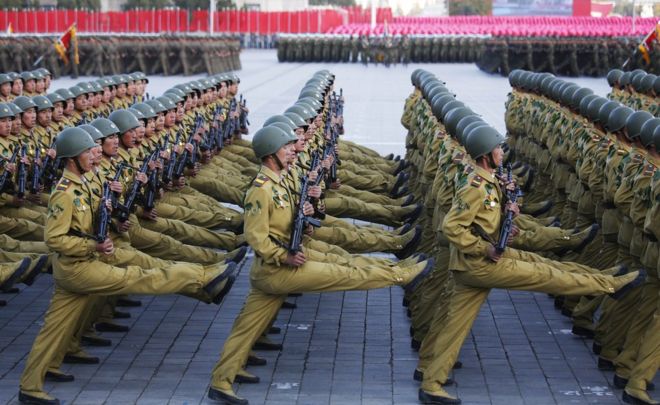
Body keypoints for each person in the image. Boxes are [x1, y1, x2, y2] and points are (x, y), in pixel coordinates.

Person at [418, 125, 646, 405]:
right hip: (480, 265)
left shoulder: (487, 182)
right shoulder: (476, 186)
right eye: (498, 149)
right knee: (546, 274)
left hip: (472, 266)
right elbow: (451, 227)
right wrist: (484, 247)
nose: (502, 152)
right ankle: (612, 284)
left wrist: (507, 216)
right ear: (487, 155)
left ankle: (430, 379)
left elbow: (483, 222)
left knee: (454, 325)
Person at [207, 125, 434, 405]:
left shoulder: (282, 182)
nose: (292, 150)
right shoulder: (261, 191)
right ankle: (402, 274)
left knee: (246, 328)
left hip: (276, 268)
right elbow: (256, 237)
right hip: (279, 269)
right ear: (270, 155)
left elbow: (290, 223)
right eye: (286, 147)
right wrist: (284, 256)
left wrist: (308, 212)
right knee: (344, 273)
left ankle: (222, 379)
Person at [18, 127, 238, 405]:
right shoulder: (64, 192)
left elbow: (95, 217)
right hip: (79, 268)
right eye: (87, 152)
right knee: (141, 276)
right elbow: (54, 238)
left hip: (79, 266)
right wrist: (92, 246)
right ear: (72, 158)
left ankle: (30, 384)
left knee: (54, 330)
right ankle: (203, 277)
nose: (93, 155)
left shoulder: (83, 183)